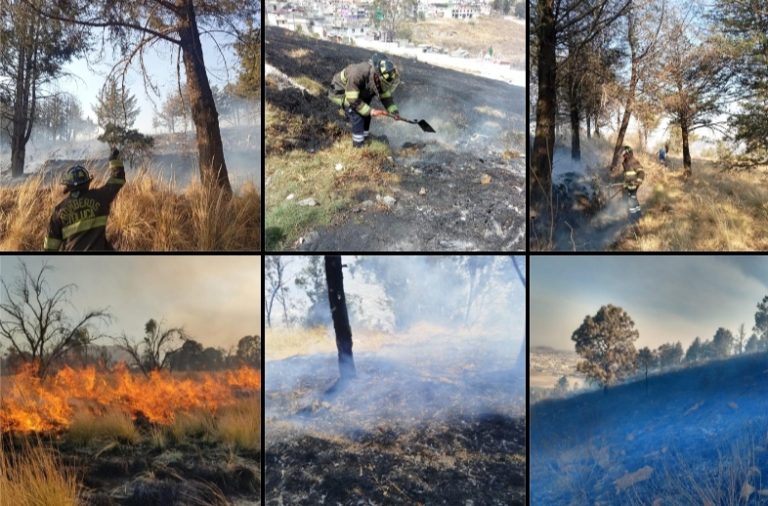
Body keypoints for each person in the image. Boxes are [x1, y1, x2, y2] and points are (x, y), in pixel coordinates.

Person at [44, 149, 126, 251]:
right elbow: (118, 179)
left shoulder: (58, 211)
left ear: (68, 186)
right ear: (87, 183)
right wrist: (114, 160)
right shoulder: (100, 197)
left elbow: (49, 248)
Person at [329, 54, 401, 148]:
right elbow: (352, 99)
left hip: (356, 93)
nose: (387, 87)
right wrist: (371, 111)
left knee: (366, 114)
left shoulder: (377, 79)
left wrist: (394, 111)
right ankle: (358, 146)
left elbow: (386, 96)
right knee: (358, 114)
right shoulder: (358, 73)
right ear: (378, 77)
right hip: (340, 93)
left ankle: (365, 138)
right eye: (386, 84)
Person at [622, 146, 645, 224]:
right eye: (623, 154)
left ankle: (633, 219)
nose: (623, 156)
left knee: (631, 201)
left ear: (628, 153)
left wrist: (637, 181)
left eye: (624, 154)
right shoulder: (625, 162)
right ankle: (638, 215)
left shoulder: (633, 161)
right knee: (633, 199)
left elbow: (641, 172)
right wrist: (625, 184)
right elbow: (627, 175)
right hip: (629, 185)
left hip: (633, 185)